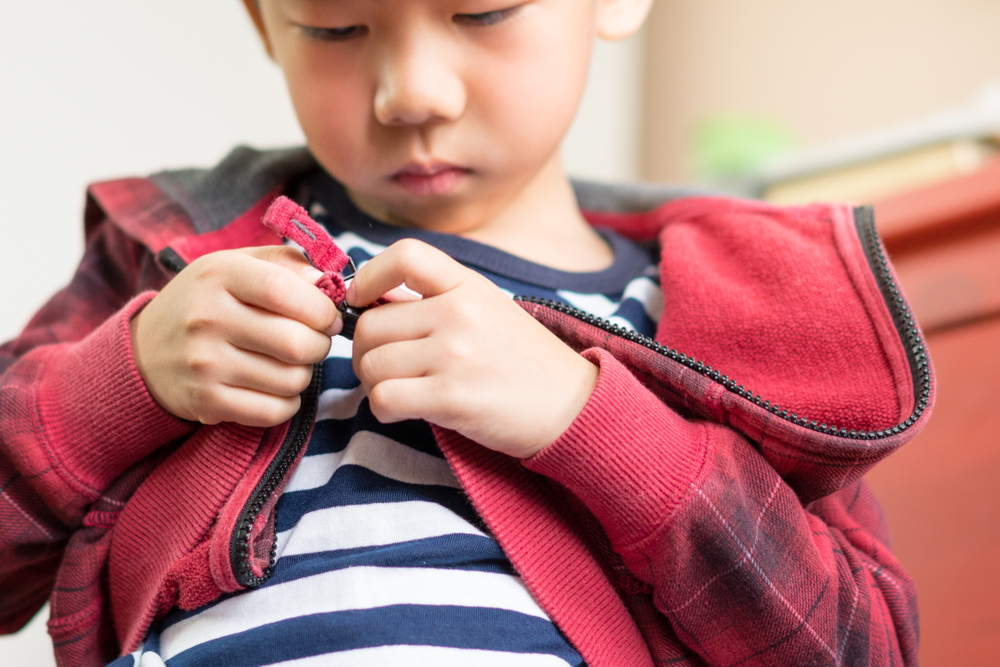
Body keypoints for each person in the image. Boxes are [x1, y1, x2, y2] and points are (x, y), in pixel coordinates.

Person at [0, 0, 932, 665]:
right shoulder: (168, 264)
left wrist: (592, 424)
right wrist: (120, 384)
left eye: (482, 12)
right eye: (336, 26)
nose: (412, 93)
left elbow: (854, 646)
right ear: (260, 21)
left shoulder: (738, 312)